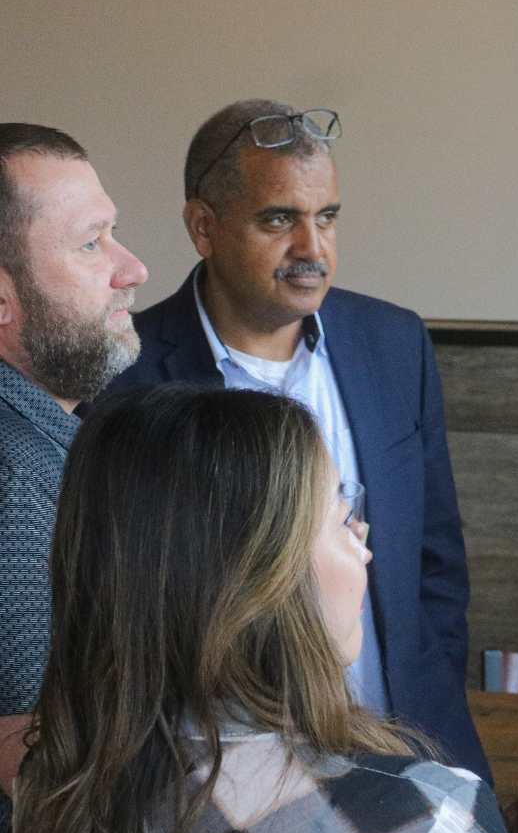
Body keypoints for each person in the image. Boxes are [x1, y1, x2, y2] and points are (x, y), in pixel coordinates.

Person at [5, 385, 518, 833]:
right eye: (338, 514)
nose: (363, 544)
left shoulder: (52, 806)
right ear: (260, 578)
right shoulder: (425, 832)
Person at [106, 99, 489, 782]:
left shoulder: (393, 342)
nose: (313, 249)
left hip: (410, 749)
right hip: (220, 784)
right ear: (203, 226)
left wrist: (425, 700)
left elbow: (435, 559)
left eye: (328, 217)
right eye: (279, 219)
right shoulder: (128, 381)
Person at [0, 122, 148, 833]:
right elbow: (28, 759)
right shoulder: (19, 485)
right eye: (91, 244)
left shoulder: (55, 446)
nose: (131, 268)